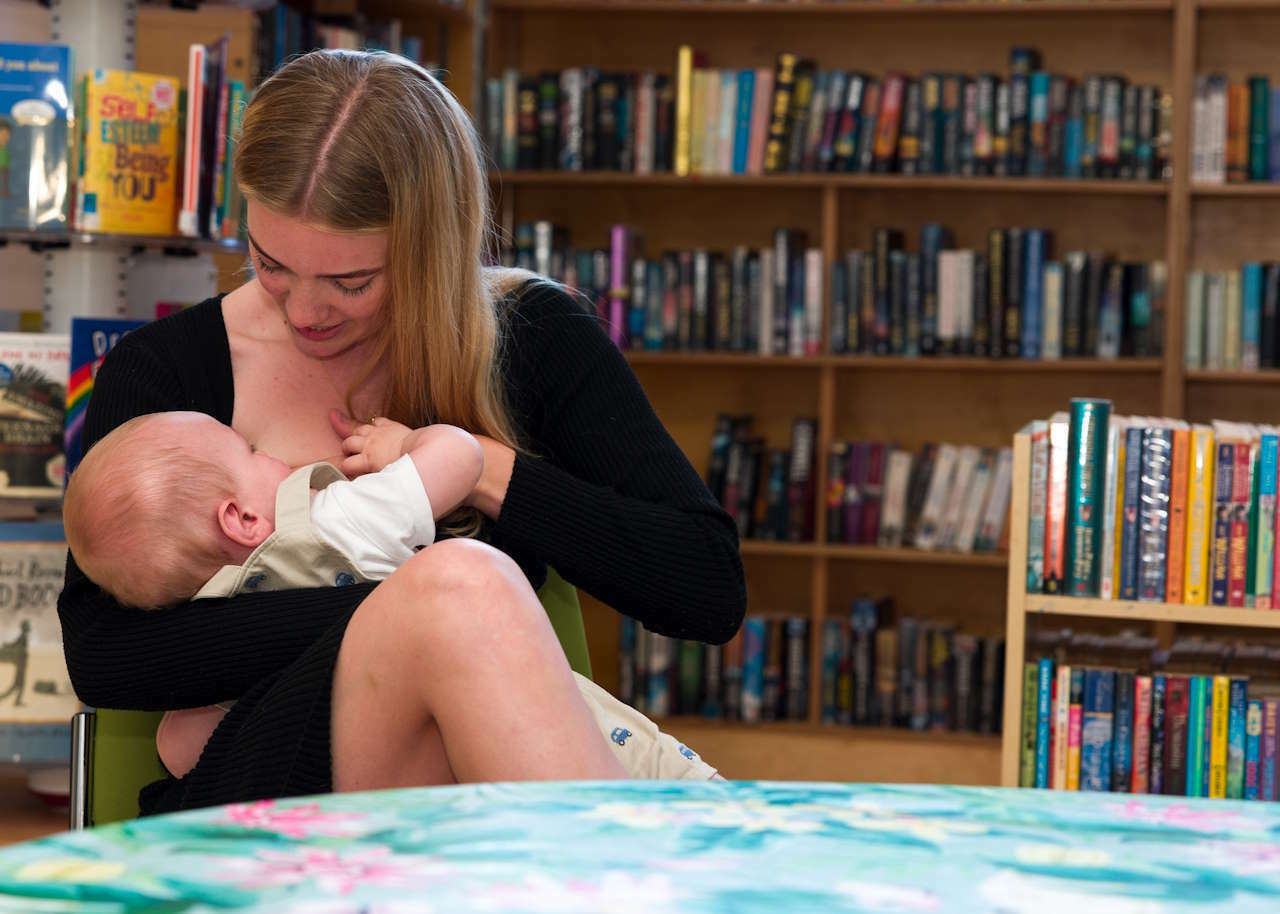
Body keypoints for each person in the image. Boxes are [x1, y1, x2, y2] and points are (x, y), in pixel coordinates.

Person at [57, 48, 746, 815]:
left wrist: (484, 469)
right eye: (270, 264)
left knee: (457, 595)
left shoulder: (530, 336)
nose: (304, 312)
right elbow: (107, 656)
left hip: (483, 795)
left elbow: (704, 588)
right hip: (256, 801)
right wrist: (410, 612)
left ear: (431, 249)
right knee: (458, 588)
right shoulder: (169, 374)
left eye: (351, 282)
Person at [62, 409, 720, 783]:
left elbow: (180, 747)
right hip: (578, 741)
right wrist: (404, 444)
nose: (273, 455)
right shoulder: (329, 521)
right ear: (240, 519)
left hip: (422, 786)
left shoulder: (208, 630)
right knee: (672, 793)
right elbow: (460, 459)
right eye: (251, 450)